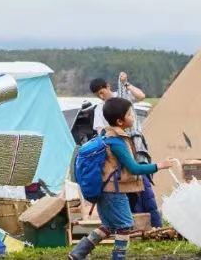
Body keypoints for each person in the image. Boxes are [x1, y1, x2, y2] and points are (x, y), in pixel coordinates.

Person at [69, 98, 176, 260]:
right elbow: (135, 168)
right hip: (113, 191)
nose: (133, 117)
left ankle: (78, 253)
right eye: (130, 114)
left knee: (109, 226)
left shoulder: (107, 136)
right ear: (120, 121)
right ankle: (118, 257)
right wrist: (161, 165)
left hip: (104, 189)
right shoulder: (117, 142)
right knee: (125, 226)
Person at [89, 74, 160, 227]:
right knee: (135, 195)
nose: (101, 97)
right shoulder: (102, 113)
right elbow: (133, 168)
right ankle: (144, 226)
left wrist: (125, 84)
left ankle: (152, 225)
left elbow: (141, 96)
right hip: (120, 165)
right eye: (98, 95)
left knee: (144, 191)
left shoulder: (122, 98)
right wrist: (160, 166)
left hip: (136, 150)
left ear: (108, 86)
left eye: (102, 92)